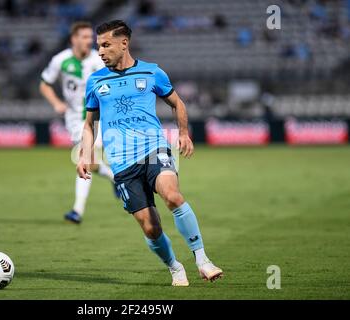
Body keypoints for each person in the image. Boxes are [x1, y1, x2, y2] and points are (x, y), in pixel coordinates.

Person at [77, 20, 223, 285]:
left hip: (154, 149)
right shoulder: (95, 81)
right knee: (150, 226)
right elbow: (89, 124)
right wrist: (85, 154)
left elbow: (177, 103)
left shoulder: (152, 72)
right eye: (98, 46)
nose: (99, 51)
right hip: (121, 164)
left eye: (106, 45)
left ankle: (203, 260)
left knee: (173, 196)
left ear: (124, 43)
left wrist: (182, 132)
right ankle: (174, 266)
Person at [40, 21, 117, 224]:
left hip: (97, 118)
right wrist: (56, 103)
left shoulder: (100, 60)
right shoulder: (60, 60)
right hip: (74, 119)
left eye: (90, 37)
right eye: (84, 37)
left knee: (84, 157)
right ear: (74, 39)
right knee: (89, 161)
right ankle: (116, 179)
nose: (88, 41)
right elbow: (45, 84)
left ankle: (77, 210)